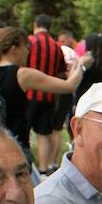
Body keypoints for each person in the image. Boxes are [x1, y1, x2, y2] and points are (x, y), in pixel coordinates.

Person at [0, 27, 83, 167]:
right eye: (26, 47)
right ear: (15, 49)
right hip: (14, 147)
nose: (28, 52)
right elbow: (69, 86)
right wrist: (81, 65)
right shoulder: (22, 75)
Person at [26, 14, 71, 175]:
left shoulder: (30, 42)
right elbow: (61, 72)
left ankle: (25, 166)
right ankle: (44, 169)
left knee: (24, 132)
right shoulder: (56, 46)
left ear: (35, 25)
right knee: (43, 133)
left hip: (28, 95)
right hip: (49, 96)